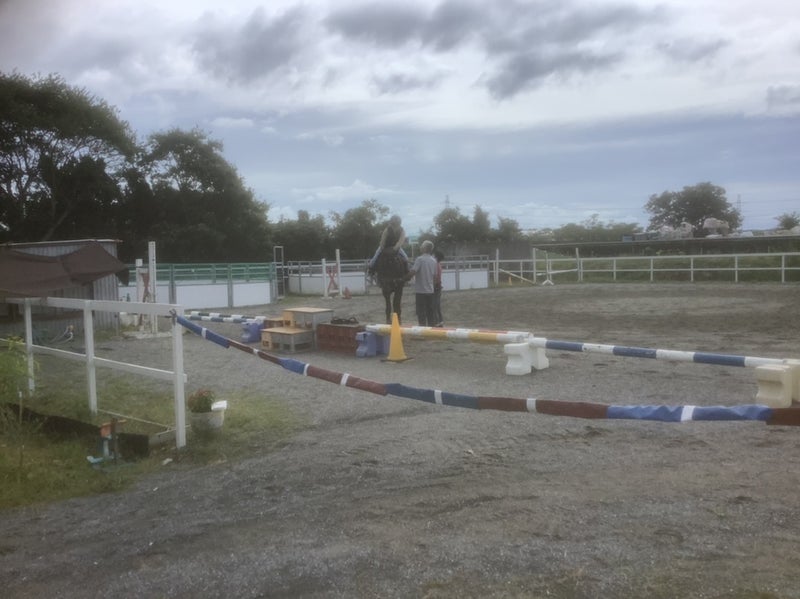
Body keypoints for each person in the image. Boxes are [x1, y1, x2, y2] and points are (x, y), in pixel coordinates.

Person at [406, 240, 438, 326]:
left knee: (421, 312)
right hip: (430, 290)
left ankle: (422, 328)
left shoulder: (419, 259)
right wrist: (433, 287)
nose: (420, 247)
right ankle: (431, 328)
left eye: (422, 246)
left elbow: (413, 271)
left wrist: (405, 278)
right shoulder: (434, 261)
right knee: (430, 311)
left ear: (424, 248)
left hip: (420, 290)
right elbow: (435, 276)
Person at [433, 250, 444, 327]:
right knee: (437, 305)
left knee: (434, 305)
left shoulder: (435, 265)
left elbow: (435, 277)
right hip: (438, 286)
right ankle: (440, 321)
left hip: (436, 286)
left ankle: (437, 322)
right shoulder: (438, 264)